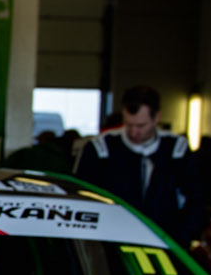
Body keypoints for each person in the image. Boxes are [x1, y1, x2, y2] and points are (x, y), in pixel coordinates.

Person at [76, 85, 203, 246]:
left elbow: (195, 199)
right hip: (111, 242)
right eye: (128, 125)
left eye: (141, 126)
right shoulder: (101, 148)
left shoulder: (177, 149)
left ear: (156, 118)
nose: (134, 132)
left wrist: (181, 239)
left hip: (166, 241)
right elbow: (83, 198)